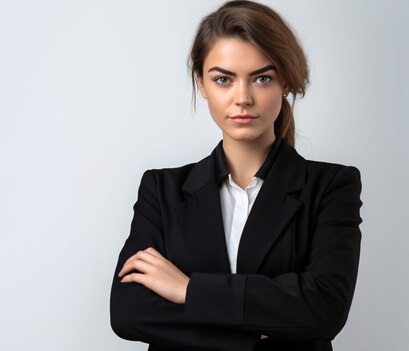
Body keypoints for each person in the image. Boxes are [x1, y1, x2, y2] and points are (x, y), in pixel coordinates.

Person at [110, 1, 363, 350]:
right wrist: (256, 326)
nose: (243, 98)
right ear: (202, 83)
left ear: (285, 81)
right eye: (223, 79)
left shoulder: (331, 187)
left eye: (262, 78)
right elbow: (129, 312)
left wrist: (188, 290)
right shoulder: (162, 190)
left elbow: (324, 308)